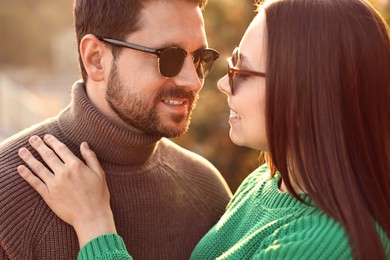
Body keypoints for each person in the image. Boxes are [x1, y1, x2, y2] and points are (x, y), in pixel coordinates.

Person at [17, 0, 390, 259]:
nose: (205, 83)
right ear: (95, 58)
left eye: (240, 72)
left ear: (307, 91)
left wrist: (95, 226)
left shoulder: (330, 241)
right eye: (169, 58)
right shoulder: (266, 183)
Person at [0, 0, 233, 259]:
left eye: (200, 58)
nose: (193, 81)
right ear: (96, 59)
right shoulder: (6, 193)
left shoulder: (207, 191)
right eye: (169, 57)